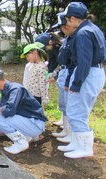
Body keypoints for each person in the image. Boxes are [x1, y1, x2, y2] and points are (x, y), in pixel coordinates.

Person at [52, 2, 106, 158]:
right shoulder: (92, 29)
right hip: (93, 71)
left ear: (74, 18)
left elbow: (83, 61)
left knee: (77, 112)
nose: (66, 23)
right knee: (77, 111)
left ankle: (84, 148)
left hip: (88, 73)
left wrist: (76, 83)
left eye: (67, 20)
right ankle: (76, 143)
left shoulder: (83, 33)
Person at [50, 12, 77, 144]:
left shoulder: (75, 39)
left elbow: (72, 62)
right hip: (64, 72)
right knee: (64, 103)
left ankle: (72, 135)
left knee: (72, 106)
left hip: (70, 73)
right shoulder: (67, 41)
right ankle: (66, 131)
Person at [36, 32, 63, 126]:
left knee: (67, 101)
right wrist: (49, 73)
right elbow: (52, 62)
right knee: (63, 99)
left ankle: (67, 125)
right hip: (63, 73)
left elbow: (65, 64)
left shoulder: (61, 48)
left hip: (68, 72)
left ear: (50, 42)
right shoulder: (51, 49)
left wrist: (55, 76)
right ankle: (63, 121)